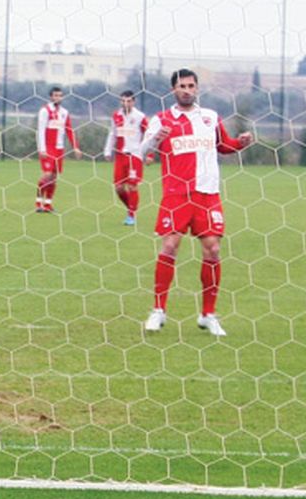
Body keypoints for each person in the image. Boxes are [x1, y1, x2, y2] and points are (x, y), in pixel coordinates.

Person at [138, 69, 252, 336]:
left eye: (191, 86)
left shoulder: (210, 117)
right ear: (173, 90)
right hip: (176, 194)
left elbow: (224, 145)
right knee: (170, 245)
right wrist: (156, 138)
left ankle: (208, 315)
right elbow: (142, 153)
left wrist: (241, 143)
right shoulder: (161, 119)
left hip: (207, 194)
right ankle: (158, 310)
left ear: (197, 88)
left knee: (213, 250)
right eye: (182, 86)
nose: (187, 90)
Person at [102, 90, 148, 226]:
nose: (125, 103)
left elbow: (148, 135)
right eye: (123, 101)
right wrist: (108, 150)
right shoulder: (116, 115)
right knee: (119, 188)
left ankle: (131, 215)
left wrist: (149, 154)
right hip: (120, 156)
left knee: (132, 186)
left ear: (133, 102)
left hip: (134, 155)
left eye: (128, 101)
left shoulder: (140, 117)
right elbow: (112, 134)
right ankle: (131, 208)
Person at [34, 86, 81, 213]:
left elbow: (69, 130)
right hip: (48, 148)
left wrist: (75, 147)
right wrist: (42, 149)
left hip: (59, 149)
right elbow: (41, 131)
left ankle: (48, 204)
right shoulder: (45, 111)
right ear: (51, 97)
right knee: (47, 175)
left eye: (60, 95)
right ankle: (38, 202)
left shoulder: (64, 112)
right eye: (55, 95)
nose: (58, 98)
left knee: (54, 177)